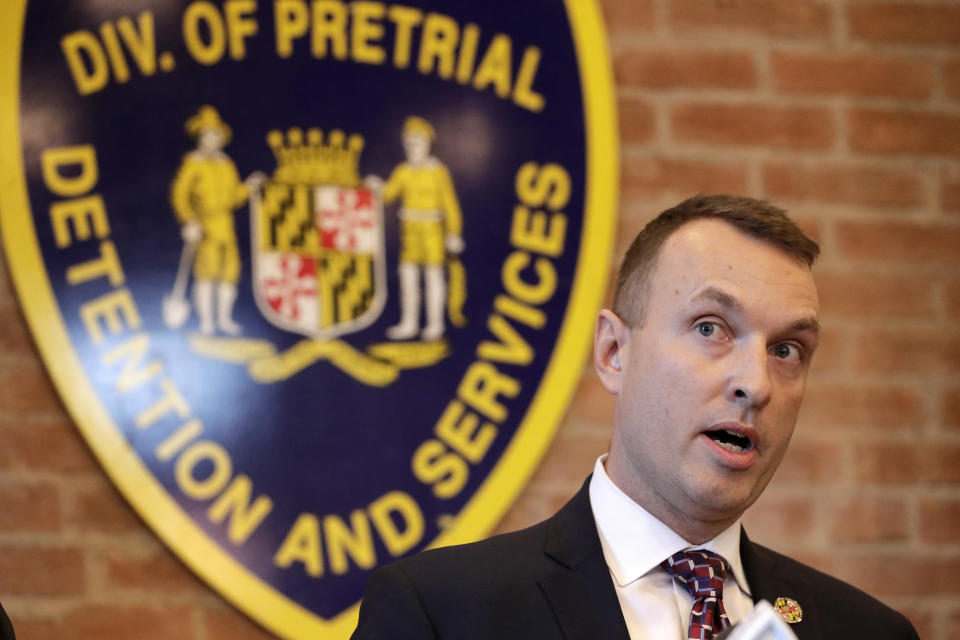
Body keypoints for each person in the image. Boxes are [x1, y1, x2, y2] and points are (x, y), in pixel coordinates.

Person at [351, 195, 919, 639]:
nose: (756, 383)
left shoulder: (866, 631)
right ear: (613, 352)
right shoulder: (442, 613)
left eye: (787, 349)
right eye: (710, 328)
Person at [379, 116, 464, 342]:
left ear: (427, 143)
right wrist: (375, 187)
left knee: (433, 276)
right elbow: (389, 194)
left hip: (432, 228)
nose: (412, 147)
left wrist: (454, 234)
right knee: (408, 276)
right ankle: (409, 323)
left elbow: (450, 204)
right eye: (408, 143)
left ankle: (435, 324)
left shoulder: (438, 171)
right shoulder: (403, 170)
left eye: (416, 142)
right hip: (409, 228)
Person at [169, 105, 250, 336]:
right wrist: (188, 221)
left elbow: (234, 196)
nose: (212, 139)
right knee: (207, 271)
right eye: (207, 135)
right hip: (205, 225)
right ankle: (206, 322)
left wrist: (248, 188)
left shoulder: (227, 164)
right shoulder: (193, 164)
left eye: (216, 135)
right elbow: (180, 195)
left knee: (229, 271)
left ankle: (224, 320)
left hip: (226, 225)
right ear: (200, 138)